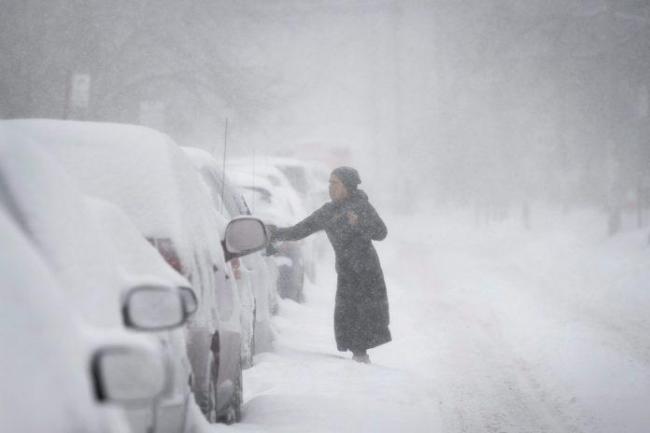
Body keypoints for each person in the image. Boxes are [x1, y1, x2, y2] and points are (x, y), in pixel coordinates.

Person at [267, 166, 390, 363]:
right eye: (329, 183)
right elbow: (301, 229)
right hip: (346, 271)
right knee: (346, 318)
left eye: (335, 183)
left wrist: (360, 223)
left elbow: (381, 233)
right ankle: (359, 361)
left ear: (348, 186)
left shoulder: (361, 206)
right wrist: (274, 233)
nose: (330, 188)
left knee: (363, 320)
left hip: (366, 272)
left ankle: (361, 362)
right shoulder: (329, 211)